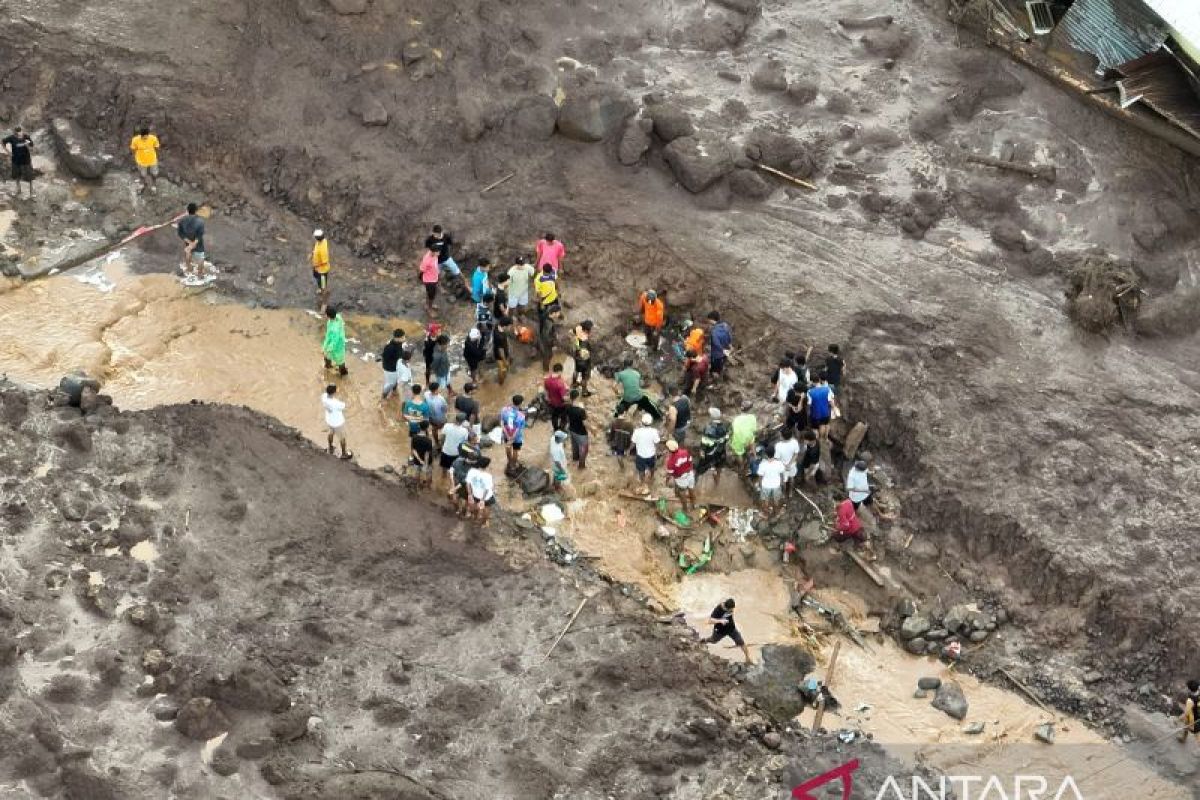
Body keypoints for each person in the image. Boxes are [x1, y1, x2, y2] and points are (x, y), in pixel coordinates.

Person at [424, 224, 469, 293]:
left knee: (456, 270)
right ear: (433, 233)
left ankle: (466, 282)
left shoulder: (446, 236)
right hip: (437, 261)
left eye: (438, 234)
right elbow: (428, 247)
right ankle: (440, 287)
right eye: (435, 234)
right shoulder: (430, 239)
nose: (437, 236)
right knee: (436, 275)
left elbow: (451, 243)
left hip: (447, 258)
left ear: (441, 232)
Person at [707, 598, 752, 665]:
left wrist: (732, 622)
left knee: (741, 642)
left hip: (731, 629)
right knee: (713, 641)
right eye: (731, 609)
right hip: (720, 630)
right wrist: (720, 621)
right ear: (726, 607)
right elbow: (710, 621)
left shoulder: (730, 606)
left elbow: (731, 615)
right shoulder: (718, 609)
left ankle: (748, 658)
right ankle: (704, 640)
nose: (732, 610)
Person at [177, 203, 210, 286]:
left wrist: (189, 243)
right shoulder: (200, 222)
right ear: (196, 211)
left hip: (187, 241)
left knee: (188, 253)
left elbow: (180, 234)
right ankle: (200, 275)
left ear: (187, 211)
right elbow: (199, 235)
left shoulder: (182, 221)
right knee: (200, 258)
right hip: (197, 244)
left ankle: (189, 270)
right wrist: (194, 243)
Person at [699, 408, 730, 486]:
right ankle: (717, 482)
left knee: (705, 466)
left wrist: (702, 452)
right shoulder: (725, 426)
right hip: (721, 452)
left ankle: (711, 472)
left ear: (711, 416)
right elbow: (726, 439)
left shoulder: (708, 428)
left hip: (710, 453)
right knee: (719, 468)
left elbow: (704, 443)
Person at [631, 413, 661, 492]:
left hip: (640, 455)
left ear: (642, 422)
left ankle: (642, 482)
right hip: (651, 455)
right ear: (651, 422)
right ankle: (651, 477)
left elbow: (633, 443)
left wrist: (628, 450)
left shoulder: (637, 431)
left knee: (641, 470)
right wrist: (657, 452)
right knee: (652, 467)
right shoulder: (654, 431)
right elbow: (657, 443)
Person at [664, 439, 696, 512]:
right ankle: (693, 504)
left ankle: (685, 509)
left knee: (682, 493)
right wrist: (688, 469)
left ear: (669, 450)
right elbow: (691, 462)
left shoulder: (671, 461)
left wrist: (666, 480)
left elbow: (670, 474)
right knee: (691, 490)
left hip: (681, 479)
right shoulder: (685, 452)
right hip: (690, 475)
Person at [2, 126, 34, 198]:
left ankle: (31, 192)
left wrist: (27, 145)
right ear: (14, 132)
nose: (18, 134)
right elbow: (3, 141)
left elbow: (32, 147)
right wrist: (8, 152)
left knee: (30, 177)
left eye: (20, 132)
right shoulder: (11, 137)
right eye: (16, 133)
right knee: (17, 176)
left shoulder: (26, 137)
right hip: (16, 160)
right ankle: (18, 190)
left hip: (26, 160)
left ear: (22, 131)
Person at [322, 384, 352, 460]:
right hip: (338, 423)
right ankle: (344, 454)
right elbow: (346, 406)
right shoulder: (337, 403)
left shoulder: (323, 397)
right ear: (334, 392)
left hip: (329, 421)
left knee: (330, 434)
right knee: (342, 438)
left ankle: (330, 447)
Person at [466, 456, 497, 525]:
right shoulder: (488, 476)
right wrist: (482, 500)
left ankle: (475, 517)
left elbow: (468, 484)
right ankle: (484, 522)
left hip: (475, 495)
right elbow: (487, 489)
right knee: (486, 509)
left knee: (474, 507)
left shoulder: (471, 471)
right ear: (487, 466)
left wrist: (470, 494)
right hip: (486, 498)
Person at [129, 125, 161, 194]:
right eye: (143, 136)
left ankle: (153, 186)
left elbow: (157, 147)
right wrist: (136, 157)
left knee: (154, 174)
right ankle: (142, 185)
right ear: (140, 135)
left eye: (146, 136)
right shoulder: (135, 140)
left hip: (152, 160)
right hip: (141, 161)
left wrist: (155, 156)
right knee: (142, 174)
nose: (144, 138)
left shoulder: (153, 138)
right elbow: (133, 149)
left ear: (148, 134)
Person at [439, 413, 470, 481]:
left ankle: (442, 480)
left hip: (445, 451)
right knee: (453, 471)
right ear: (463, 421)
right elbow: (464, 444)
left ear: (455, 418)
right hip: (456, 454)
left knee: (444, 469)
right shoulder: (464, 431)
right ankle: (451, 483)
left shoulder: (447, 426)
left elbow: (442, 438)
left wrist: (442, 447)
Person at [807, 372, 837, 441]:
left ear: (812, 382)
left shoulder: (810, 392)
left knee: (814, 428)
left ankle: (816, 439)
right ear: (819, 380)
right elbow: (831, 401)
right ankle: (823, 438)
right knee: (823, 425)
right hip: (825, 412)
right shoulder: (828, 389)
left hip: (815, 413)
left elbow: (809, 404)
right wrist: (834, 408)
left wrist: (808, 412)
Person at [756, 449, 786, 516]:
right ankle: (777, 512)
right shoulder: (779, 463)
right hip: (776, 484)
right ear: (774, 454)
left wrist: (760, 485)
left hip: (765, 485)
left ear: (766, 455)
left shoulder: (762, 464)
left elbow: (760, 476)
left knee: (765, 499)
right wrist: (782, 483)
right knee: (776, 499)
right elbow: (781, 474)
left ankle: (766, 513)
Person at [380, 329, 408, 400]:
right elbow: (385, 357)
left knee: (395, 380)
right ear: (398, 338)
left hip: (396, 367)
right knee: (390, 383)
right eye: (403, 337)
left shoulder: (399, 343)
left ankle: (394, 389)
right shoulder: (390, 347)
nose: (404, 339)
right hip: (390, 369)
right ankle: (384, 394)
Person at [565, 389, 589, 469]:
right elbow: (585, 423)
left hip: (572, 430)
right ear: (577, 397)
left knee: (574, 446)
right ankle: (581, 466)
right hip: (581, 433)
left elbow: (567, 418)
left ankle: (575, 459)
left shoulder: (568, 407)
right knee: (584, 449)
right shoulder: (581, 411)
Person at [500, 395, 527, 468]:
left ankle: (509, 461)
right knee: (515, 450)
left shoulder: (504, 410)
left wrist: (508, 436)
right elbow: (518, 429)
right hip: (516, 437)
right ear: (521, 403)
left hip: (506, 434)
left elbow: (502, 423)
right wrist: (512, 438)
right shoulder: (521, 416)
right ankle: (513, 465)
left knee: (508, 447)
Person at [774, 427, 802, 497]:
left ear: (783, 437)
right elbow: (796, 454)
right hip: (792, 465)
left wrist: (785, 465)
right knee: (791, 478)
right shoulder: (794, 442)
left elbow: (777, 459)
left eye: (780, 435)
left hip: (782, 466)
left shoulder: (778, 446)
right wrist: (789, 464)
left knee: (783, 480)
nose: (780, 436)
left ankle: (783, 493)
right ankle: (790, 492)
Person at [507, 255, 535, 321]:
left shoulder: (527, 267)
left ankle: (520, 315)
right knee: (512, 307)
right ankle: (510, 317)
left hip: (523, 292)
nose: (522, 266)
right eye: (520, 265)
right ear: (516, 264)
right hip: (513, 293)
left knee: (522, 306)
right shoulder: (511, 272)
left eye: (523, 264)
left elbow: (533, 273)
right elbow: (507, 283)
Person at [322, 306, 348, 376]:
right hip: (334, 341)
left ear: (328, 316)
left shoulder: (334, 328)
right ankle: (328, 366)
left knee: (339, 360)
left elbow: (334, 341)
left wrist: (328, 349)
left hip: (337, 345)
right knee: (328, 356)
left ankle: (343, 373)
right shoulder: (338, 317)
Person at [707, 311, 734, 378]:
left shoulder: (714, 331)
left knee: (715, 367)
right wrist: (730, 345)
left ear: (712, 319)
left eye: (709, 320)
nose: (709, 321)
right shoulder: (725, 325)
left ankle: (715, 379)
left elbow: (716, 342)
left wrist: (722, 350)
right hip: (726, 350)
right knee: (722, 363)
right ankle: (720, 372)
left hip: (717, 353)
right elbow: (729, 335)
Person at [408, 419, 434, 487]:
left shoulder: (414, 437)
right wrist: (425, 464)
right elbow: (427, 454)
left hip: (417, 460)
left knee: (417, 472)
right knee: (428, 473)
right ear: (427, 428)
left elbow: (413, 450)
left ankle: (417, 484)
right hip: (426, 461)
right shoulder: (428, 440)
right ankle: (428, 486)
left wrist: (419, 460)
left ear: (419, 426)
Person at [543, 362, 569, 430]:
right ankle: (561, 429)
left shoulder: (547, 380)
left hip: (551, 403)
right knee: (564, 417)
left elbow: (546, 391)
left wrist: (548, 398)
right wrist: (570, 397)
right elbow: (564, 398)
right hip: (560, 404)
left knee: (554, 416)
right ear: (560, 371)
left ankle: (555, 429)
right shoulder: (560, 384)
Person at [572, 320, 594, 396]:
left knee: (576, 370)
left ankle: (574, 384)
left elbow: (574, 330)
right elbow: (585, 355)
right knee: (585, 377)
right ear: (586, 330)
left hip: (576, 356)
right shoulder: (585, 340)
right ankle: (584, 392)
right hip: (583, 361)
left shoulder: (578, 331)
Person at [419, 247, 440, 316]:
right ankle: (429, 309)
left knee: (430, 293)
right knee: (431, 295)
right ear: (433, 251)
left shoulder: (434, 255)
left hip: (434, 278)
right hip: (429, 281)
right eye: (438, 252)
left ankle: (427, 305)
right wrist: (420, 278)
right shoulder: (427, 260)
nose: (439, 253)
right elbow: (422, 270)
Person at [549, 430, 571, 495]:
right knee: (558, 476)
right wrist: (562, 470)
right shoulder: (556, 450)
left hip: (553, 461)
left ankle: (553, 484)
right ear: (559, 439)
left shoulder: (553, 439)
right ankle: (557, 488)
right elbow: (557, 463)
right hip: (557, 465)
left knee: (555, 475)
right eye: (562, 439)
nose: (564, 440)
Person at [493, 315, 512, 384]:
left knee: (503, 368)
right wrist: (505, 361)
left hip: (497, 348)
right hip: (500, 355)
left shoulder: (497, 325)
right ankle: (501, 383)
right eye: (509, 326)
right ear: (505, 326)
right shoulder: (500, 337)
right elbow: (501, 351)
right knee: (502, 369)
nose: (510, 327)